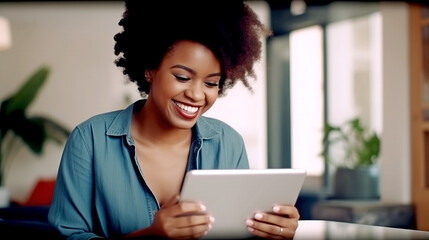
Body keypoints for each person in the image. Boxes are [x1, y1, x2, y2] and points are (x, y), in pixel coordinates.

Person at [48, 1, 300, 239]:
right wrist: (151, 235)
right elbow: (68, 235)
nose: (196, 94)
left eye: (211, 82)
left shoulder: (229, 144)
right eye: (182, 77)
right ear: (150, 68)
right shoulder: (89, 140)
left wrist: (270, 231)